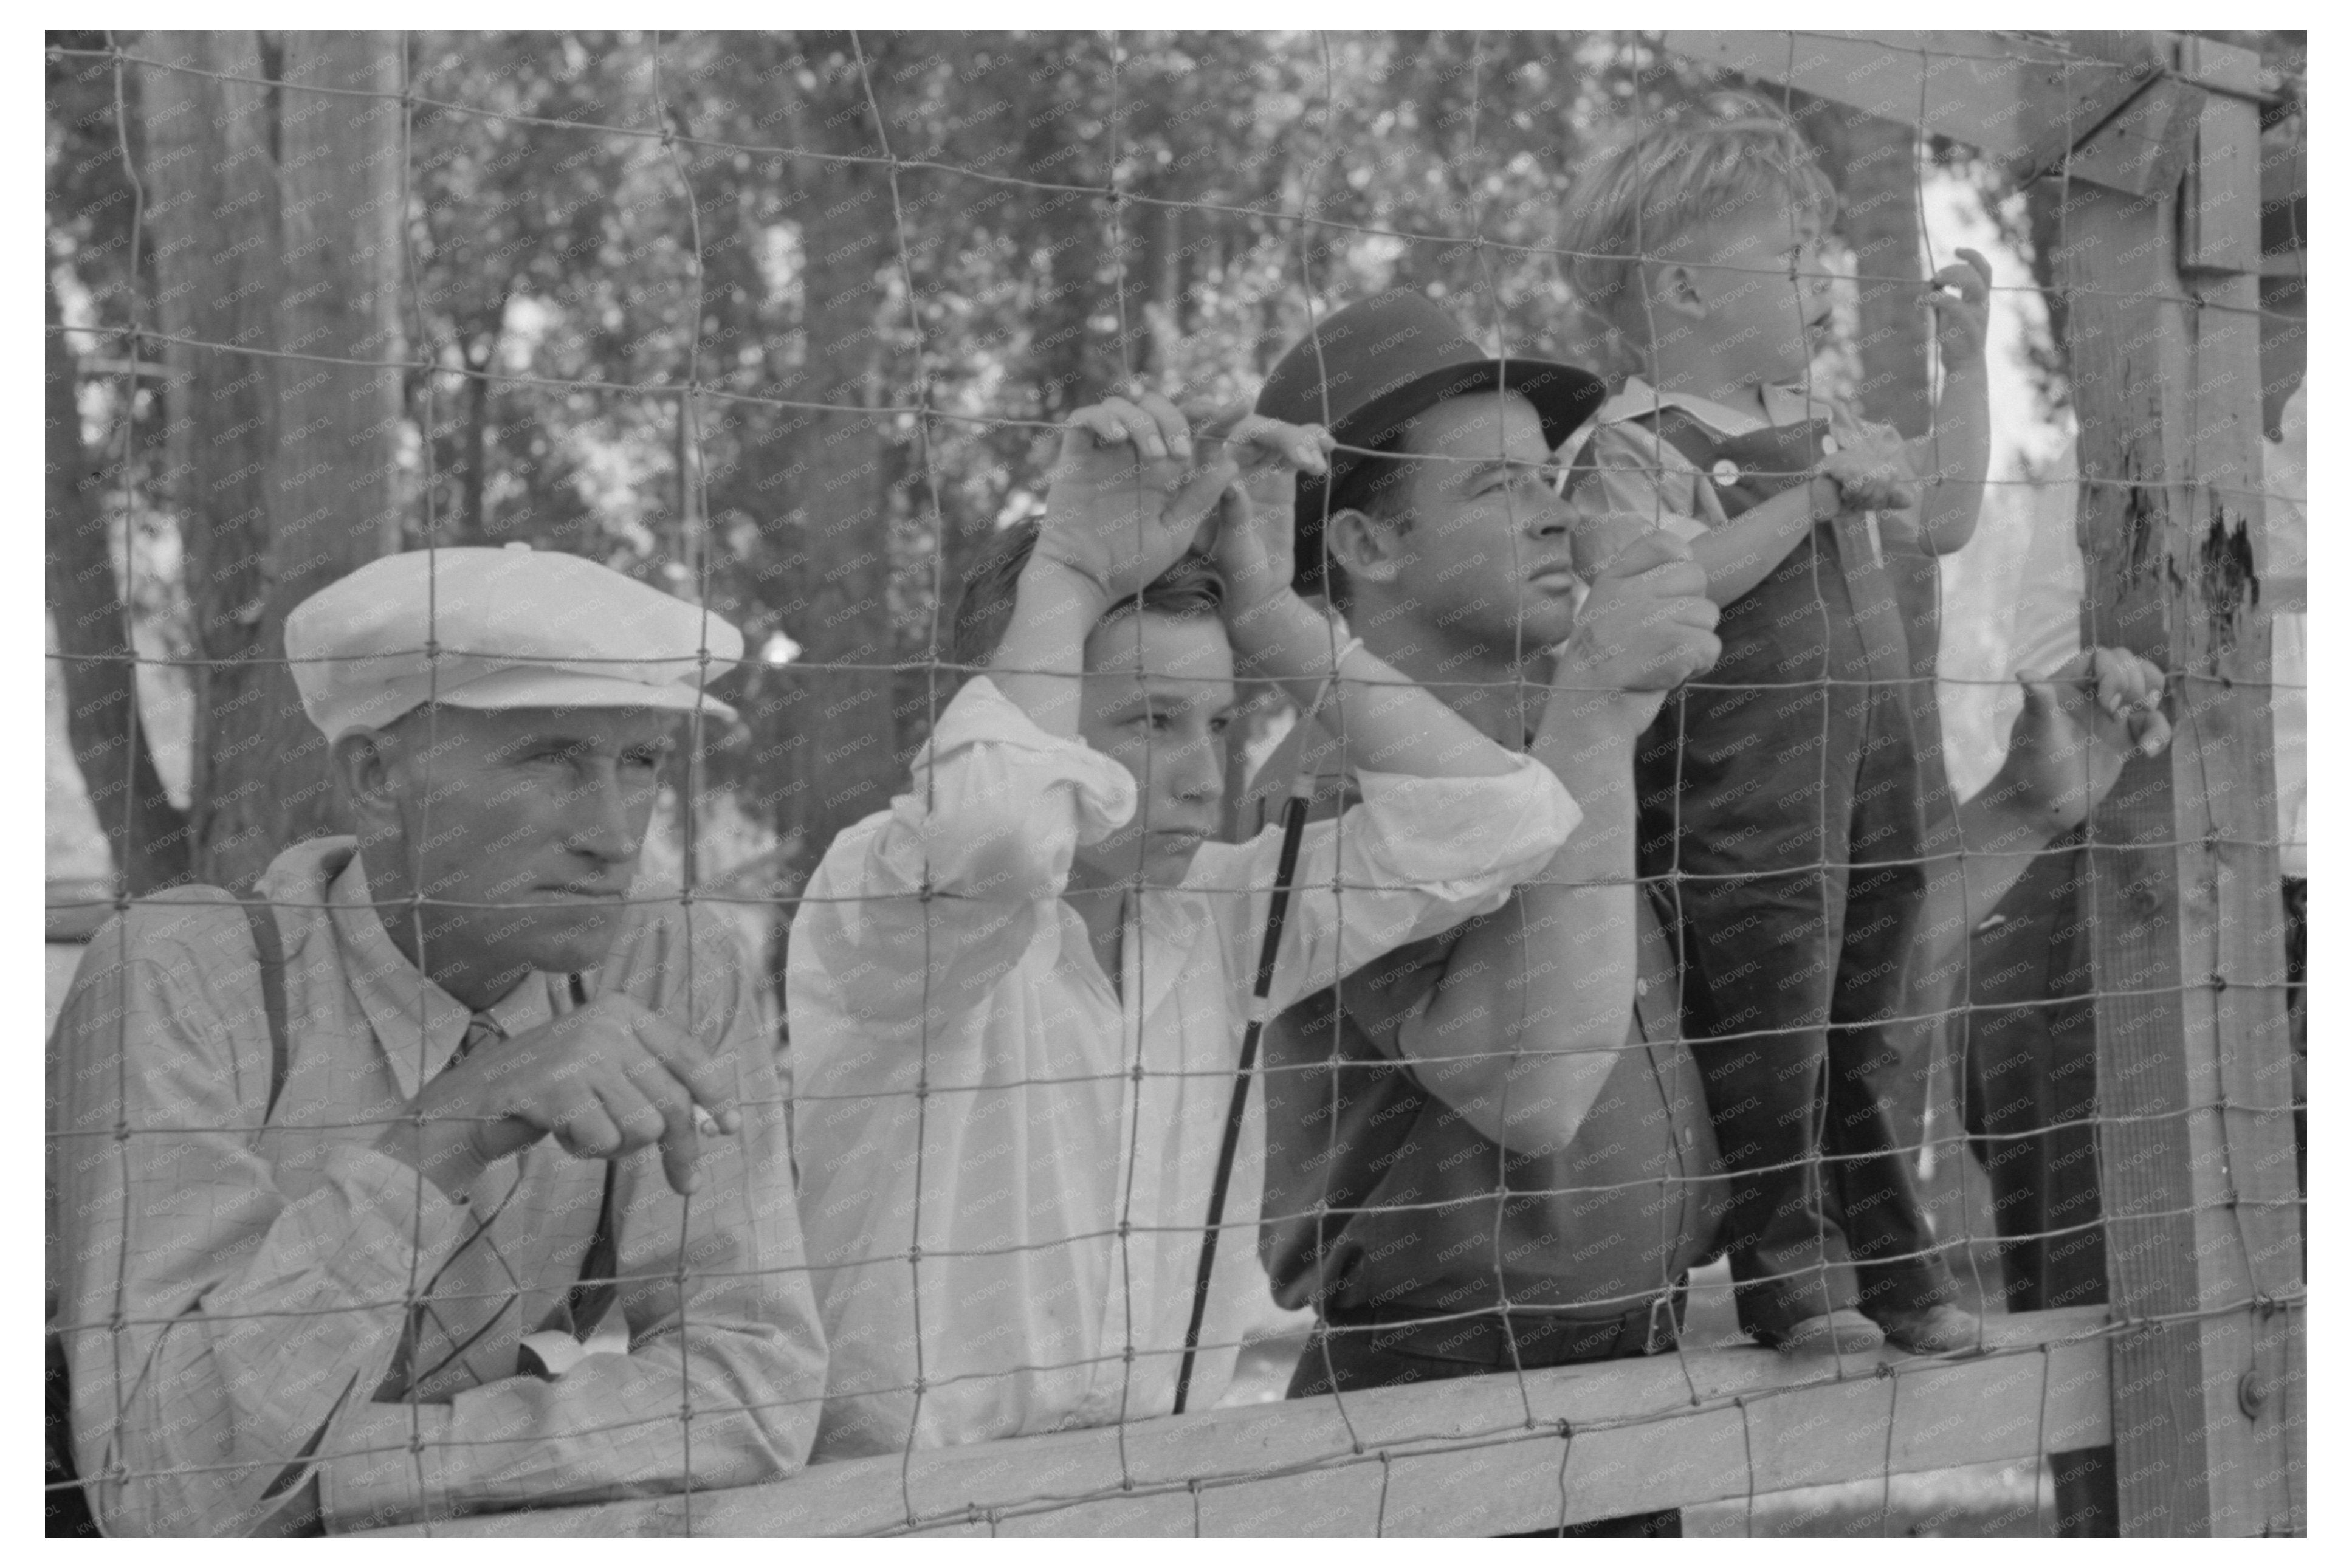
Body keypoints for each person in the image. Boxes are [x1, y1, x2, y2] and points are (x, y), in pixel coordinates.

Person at [786, 389, 1579, 1459]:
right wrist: (1065, 578)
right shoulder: (887, 896)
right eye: (1148, 722)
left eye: (1217, 722)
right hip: (905, 1510)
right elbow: (1002, 841)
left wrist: (1267, 610)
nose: (1203, 778)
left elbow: (1502, 820)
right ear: (1028, 697)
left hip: (1157, 1490)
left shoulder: (1220, 914)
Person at [47, 545, 827, 1536]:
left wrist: (365, 1462)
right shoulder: (184, 975)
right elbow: (165, 1492)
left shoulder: (667, 959)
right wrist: (444, 1136)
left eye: (642, 762)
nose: (616, 834)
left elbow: (757, 1387)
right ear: (374, 778)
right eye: (551, 758)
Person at [1245, 289, 1722, 1538]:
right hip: (1435, 1416)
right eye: (1495, 486)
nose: (1557, 510)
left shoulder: (1563, 737)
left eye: (1551, 473)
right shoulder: (1327, 785)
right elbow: (1532, 1092)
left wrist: (2025, 811)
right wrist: (1599, 713)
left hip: (1623, 1378)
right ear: (1365, 546)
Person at [1558, 92, 1995, 1355]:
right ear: (1684, 287)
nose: (1821, 280)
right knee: (1769, 1026)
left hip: (1869, 778)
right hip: (1740, 802)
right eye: (1792, 258)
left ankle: (1899, 1270)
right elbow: (1668, 586)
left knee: (1874, 1018)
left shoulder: (1829, 428)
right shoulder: (1631, 447)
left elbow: (1949, 515)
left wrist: (1963, 380)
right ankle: (1786, 1276)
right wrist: (1808, 504)